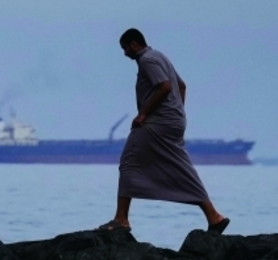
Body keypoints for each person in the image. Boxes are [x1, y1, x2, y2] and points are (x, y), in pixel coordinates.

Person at [97, 28, 229, 234]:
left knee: (129, 162)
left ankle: (121, 219)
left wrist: (143, 114)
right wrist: (177, 112)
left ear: (134, 44)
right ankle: (214, 217)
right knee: (181, 167)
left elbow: (165, 86)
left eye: (125, 48)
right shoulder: (159, 56)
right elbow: (181, 86)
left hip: (156, 122)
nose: (125, 53)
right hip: (174, 122)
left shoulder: (146, 60)